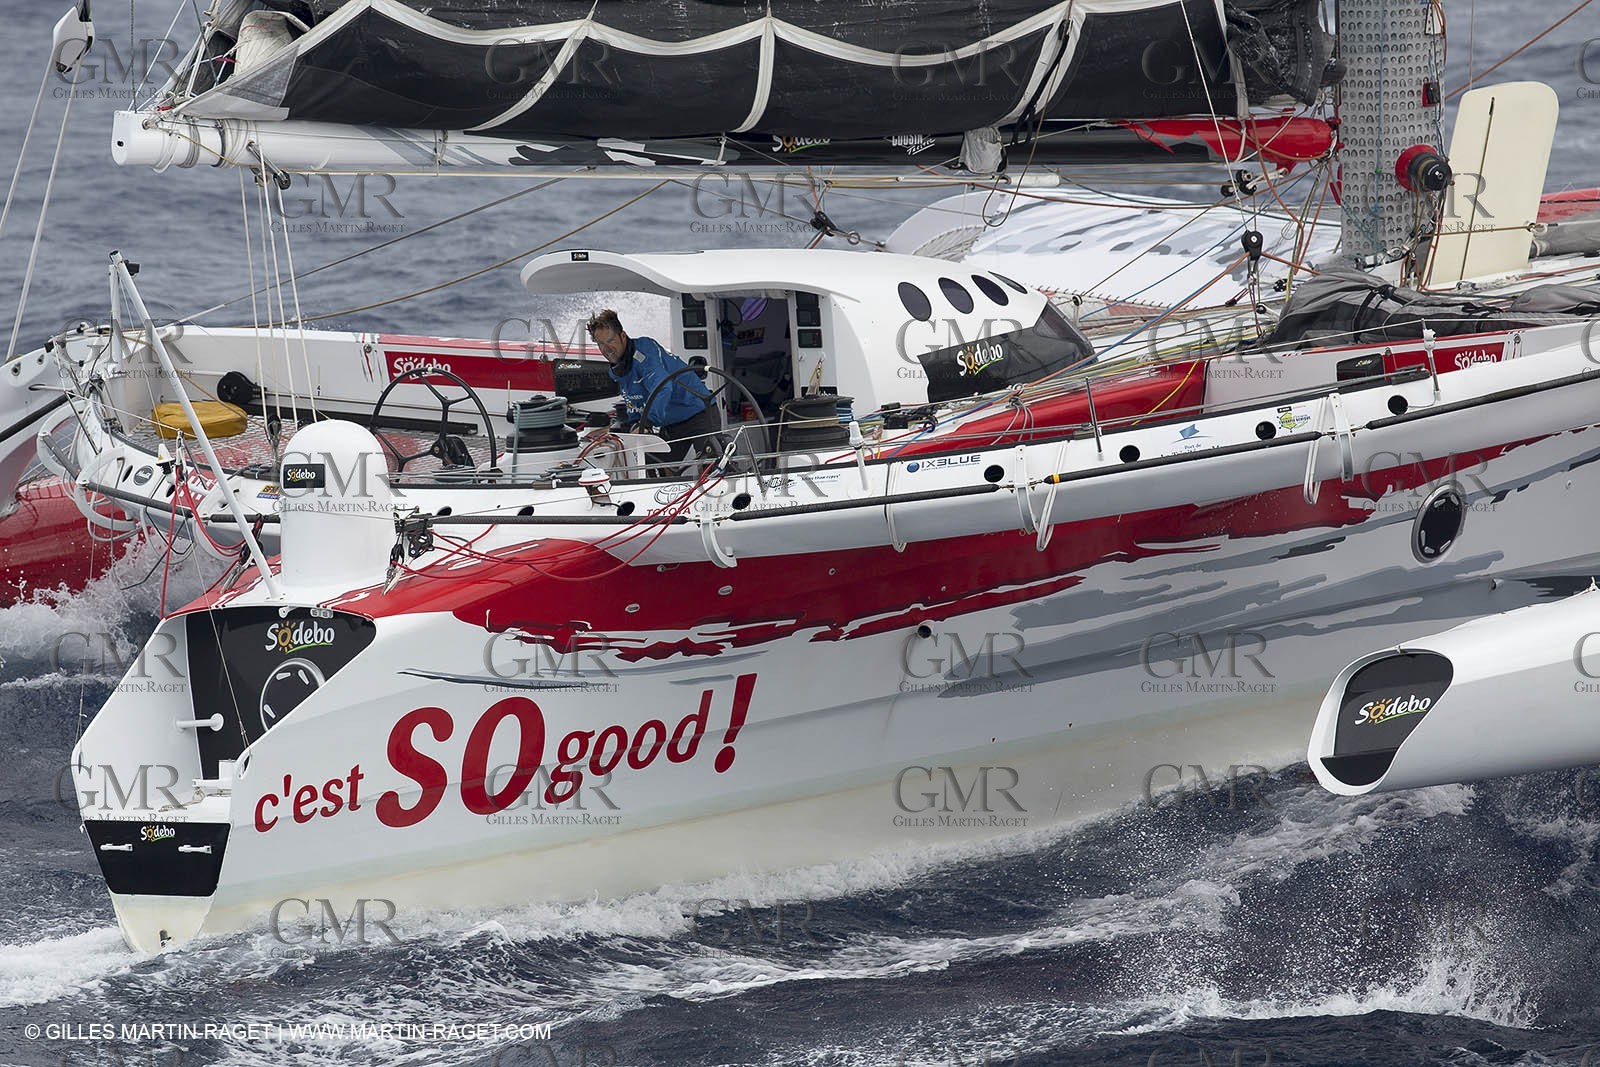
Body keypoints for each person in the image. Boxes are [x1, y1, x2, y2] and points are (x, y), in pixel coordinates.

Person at [586, 309, 724, 470]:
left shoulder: (645, 351)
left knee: (712, 468)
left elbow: (663, 388)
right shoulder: (618, 369)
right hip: (672, 422)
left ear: (622, 336)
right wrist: (633, 424)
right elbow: (634, 400)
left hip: (700, 413)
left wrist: (648, 423)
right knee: (654, 466)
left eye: (609, 340)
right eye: (600, 343)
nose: (605, 349)